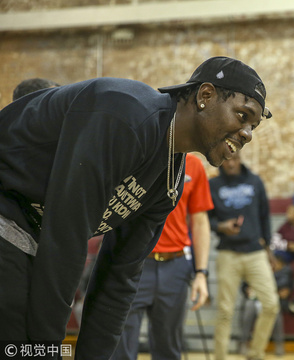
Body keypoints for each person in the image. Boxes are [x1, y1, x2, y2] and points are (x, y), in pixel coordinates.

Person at [0, 56, 271, 358]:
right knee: (22, 343)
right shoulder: (126, 116)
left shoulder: (169, 180)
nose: (247, 133)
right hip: (9, 215)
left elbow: (119, 277)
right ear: (205, 96)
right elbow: (67, 238)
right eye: (242, 115)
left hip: (36, 235)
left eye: (253, 126)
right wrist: (45, 349)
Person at [111, 153, 214, 359]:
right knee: (120, 347)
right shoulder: (135, 157)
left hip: (175, 266)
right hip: (135, 263)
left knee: (168, 348)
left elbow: (200, 221)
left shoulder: (193, 165)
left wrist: (201, 273)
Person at [209, 151, 279, 360]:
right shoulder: (213, 185)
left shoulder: (254, 181)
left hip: (255, 253)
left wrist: (269, 250)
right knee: (225, 311)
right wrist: (221, 226)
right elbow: (205, 219)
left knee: (271, 304)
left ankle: (256, 354)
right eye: (227, 159)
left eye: (235, 159)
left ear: (240, 159)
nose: (231, 163)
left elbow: (265, 216)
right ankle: (219, 357)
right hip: (228, 254)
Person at [240, 253, 294, 357]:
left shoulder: (284, 271)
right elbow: (245, 285)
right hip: (255, 299)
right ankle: (244, 342)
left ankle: (278, 344)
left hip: (271, 300)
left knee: (275, 311)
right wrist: (247, 290)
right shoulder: (254, 269)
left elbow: (286, 288)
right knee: (248, 309)